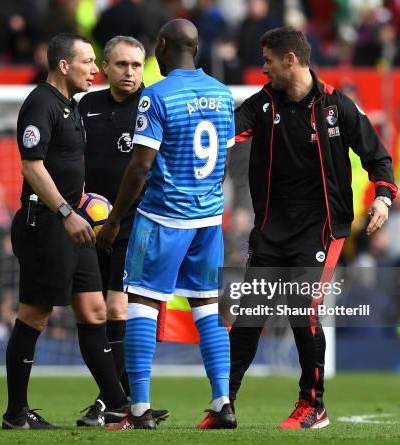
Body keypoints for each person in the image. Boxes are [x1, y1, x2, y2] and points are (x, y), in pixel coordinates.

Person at [230, 26, 398, 429]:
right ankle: (224, 400)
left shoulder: (337, 106)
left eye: (268, 60)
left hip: (322, 228)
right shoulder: (261, 105)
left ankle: (313, 404)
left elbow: (378, 157)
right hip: (271, 227)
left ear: (291, 60)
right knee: (249, 314)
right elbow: (225, 131)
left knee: (300, 308)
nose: (263, 68)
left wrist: (383, 197)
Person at [98, 19, 237, 430]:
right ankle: (223, 402)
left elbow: (139, 167)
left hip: (162, 217)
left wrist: (114, 221)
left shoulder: (156, 97)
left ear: (162, 46)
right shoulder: (222, 94)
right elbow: (223, 160)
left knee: (141, 303)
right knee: (208, 307)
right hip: (209, 219)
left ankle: (138, 407)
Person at [2, 32, 127, 429]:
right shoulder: (41, 103)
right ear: (63, 65)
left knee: (95, 311)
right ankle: (16, 414)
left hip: (75, 224)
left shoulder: (70, 107)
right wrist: (66, 212)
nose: (95, 69)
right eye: (88, 61)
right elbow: (31, 167)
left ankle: (120, 406)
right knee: (35, 316)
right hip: (48, 223)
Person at [77, 35, 168, 426]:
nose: (129, 72)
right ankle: (119, 400)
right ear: (106, 68)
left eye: (135, 65)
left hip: (138, 225)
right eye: (121, 65)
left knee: (120, 309)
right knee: (93, 313)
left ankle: (110, 402)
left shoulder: (153, 105)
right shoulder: (87, 106)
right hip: (89, 225)